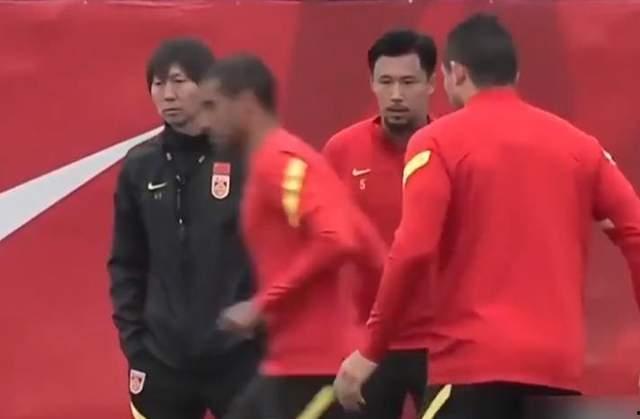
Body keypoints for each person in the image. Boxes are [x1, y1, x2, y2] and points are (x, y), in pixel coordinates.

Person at [334, 13, 640, 419]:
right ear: (515, 74)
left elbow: (413, 249)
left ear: (455, 73)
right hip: (556, 374)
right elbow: (635, 232)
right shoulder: (581, 147)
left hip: (470, 370)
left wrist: (371, 350)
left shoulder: (436, 141)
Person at [196, 53, 387, 419]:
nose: (204, 121)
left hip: (313, 371)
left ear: (246, 104)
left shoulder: (281, 162)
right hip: (300, 365)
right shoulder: (283, 161)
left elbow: (338, 238)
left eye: (212, 106)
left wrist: (263, 304)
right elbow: (365, 243)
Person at [107, 38, 261, 419]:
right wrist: (135, 344)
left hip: (238, 361)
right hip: (162, 362)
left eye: (178, 81)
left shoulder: (247, 158)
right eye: (158, 84)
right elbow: (126, 262)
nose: (168, 94)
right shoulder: (139, 166)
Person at [322, 29, 437, 419]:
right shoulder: (342, 150)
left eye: (408, 82)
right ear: (372, 83)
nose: (396, 94)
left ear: (431, 83)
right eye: (385, 82)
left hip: (440, 343)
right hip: (365, 345)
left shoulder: (451, 148)